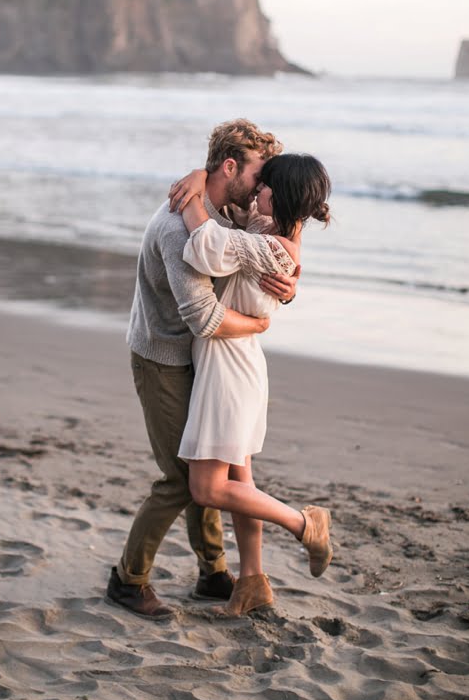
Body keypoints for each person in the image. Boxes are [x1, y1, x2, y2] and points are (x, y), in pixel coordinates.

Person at [106, 119, 297, 621]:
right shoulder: (176, 229)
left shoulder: (228, 208)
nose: (262, 189)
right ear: (230, 168)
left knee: (205, 463)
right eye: (258, 176)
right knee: (179, 479)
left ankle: (213, 573)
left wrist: (288, 282)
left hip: (198, 358)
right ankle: (128, 581)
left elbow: (271, 235)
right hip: (163, 358)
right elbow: (205, 318)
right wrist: (259, 324)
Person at [170, 153, 335, 616]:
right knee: (242, 480)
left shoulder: (270, 246)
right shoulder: (266, 230)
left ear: (275, 195)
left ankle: (305, 524)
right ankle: (253, 582)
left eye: (263, 184)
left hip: (229, 373)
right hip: (235, 366)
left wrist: (190, 191)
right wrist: (202, 176)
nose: (255, 188)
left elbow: (204, 244)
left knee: (207, 489)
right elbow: (231, 215)